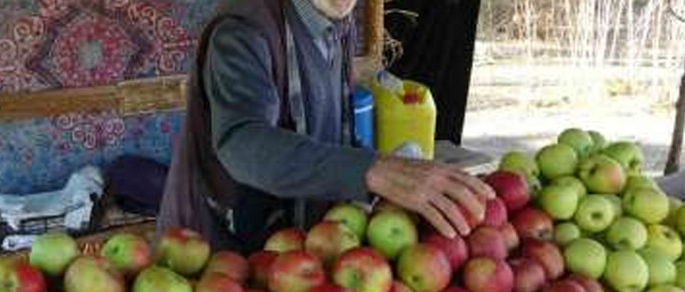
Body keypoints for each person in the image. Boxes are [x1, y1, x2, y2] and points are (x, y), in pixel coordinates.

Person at [159, 0, 493, 253]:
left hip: (293, 261)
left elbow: (326, 134)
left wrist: (390, 171)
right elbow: (242, 141)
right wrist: (373, 170)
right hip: (212, 258)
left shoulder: (334, 20)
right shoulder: (243, 30)